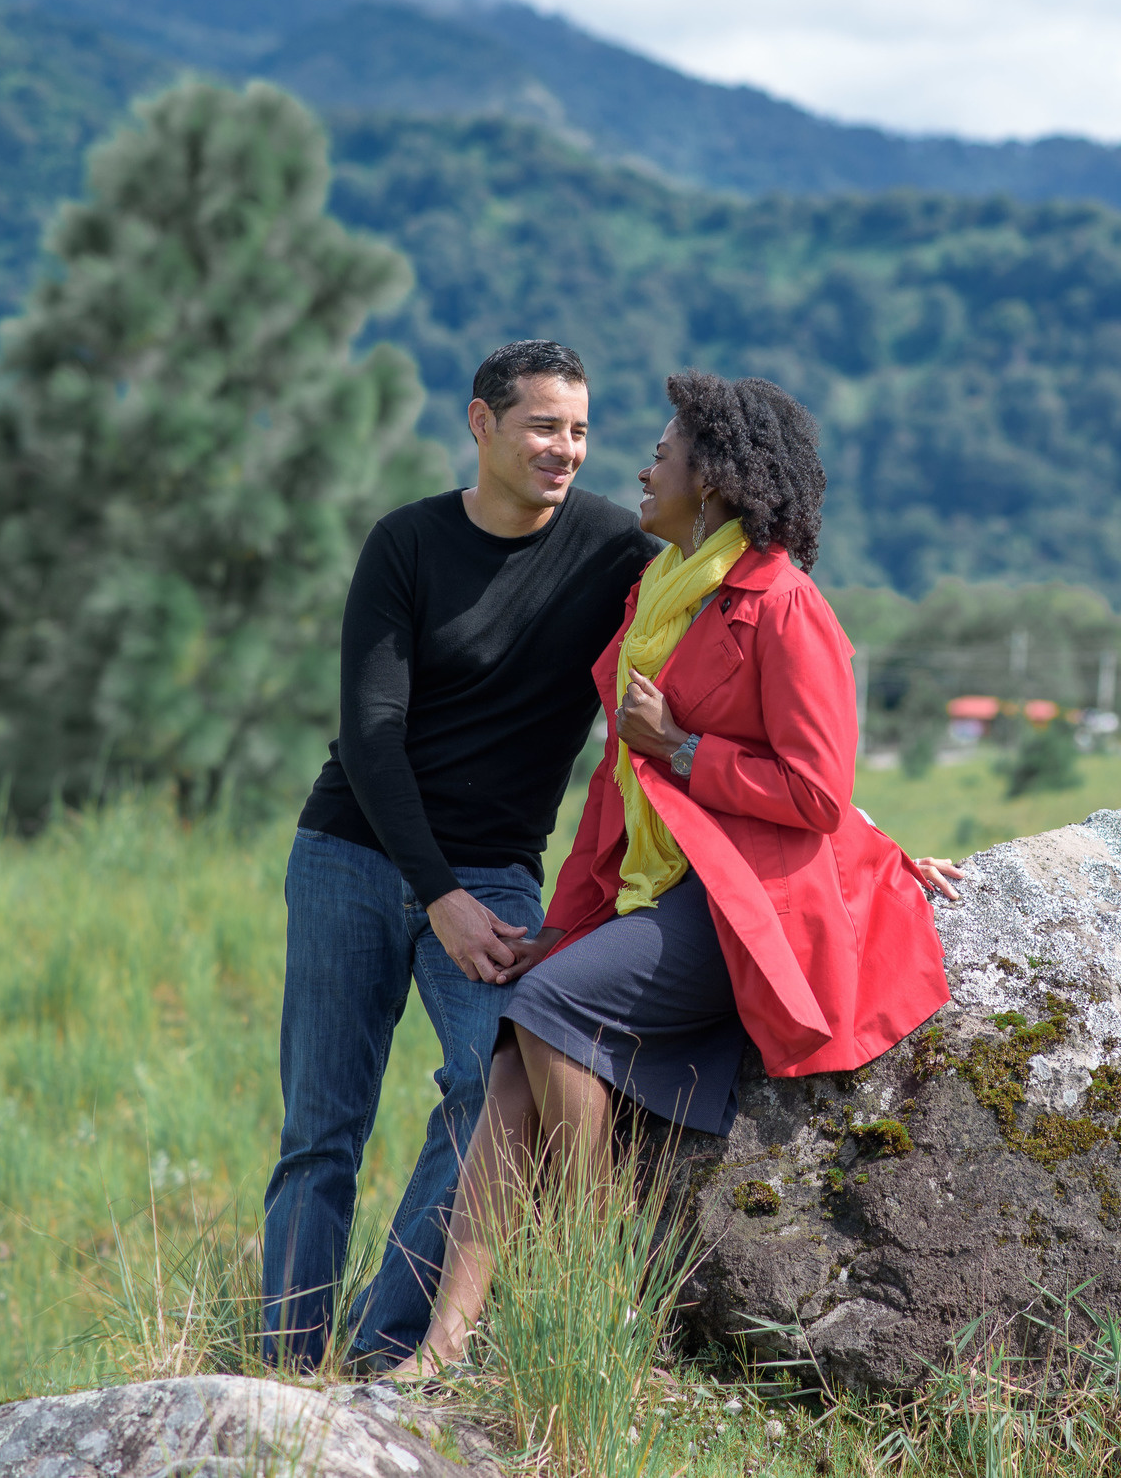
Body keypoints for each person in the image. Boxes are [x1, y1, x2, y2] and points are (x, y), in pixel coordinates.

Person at [400, 371, 960, 1375]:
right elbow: (616, 795)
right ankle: (440, 1349)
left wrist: (687, 748)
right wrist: (567, 928)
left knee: (546, 1011)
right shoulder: (657, 599)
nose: (645, 464)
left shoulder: (782, 603)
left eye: (664, 450)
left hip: (751, 902)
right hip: (672, 891)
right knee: (508, 1060)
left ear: (713, 480)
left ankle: (600, 1285)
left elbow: (817, 792)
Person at [262, 339, 660, 1372]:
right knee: (322, 1128)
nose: (564, 448)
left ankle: (384, 1346)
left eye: (578, 429)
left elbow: (747, 633)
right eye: (541, 425)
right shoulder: (406, 543)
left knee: (492, 1091)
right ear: (480, 425)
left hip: (495, 874)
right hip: (353, 850)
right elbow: (370, 734)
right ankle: (284, 1365)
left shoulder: (618, 551)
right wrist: (433, 892)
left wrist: (857, 830)